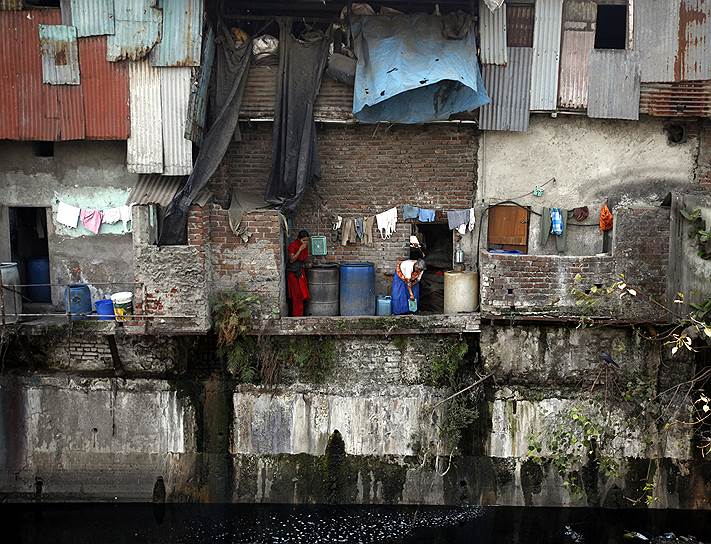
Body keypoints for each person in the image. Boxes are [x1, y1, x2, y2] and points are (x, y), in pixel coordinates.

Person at [286, 230, 310, 317]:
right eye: (304, 240)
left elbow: (303, 259)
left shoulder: (305, 246)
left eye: (307, 240)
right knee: (296, 295)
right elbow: (292, 260)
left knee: (303, 294)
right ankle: (297, 316)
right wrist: (300, 249)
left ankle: (301, 314)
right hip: (293, 273)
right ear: (299, 239)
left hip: (300, 271)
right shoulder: (293, 245)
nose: (306, 242)